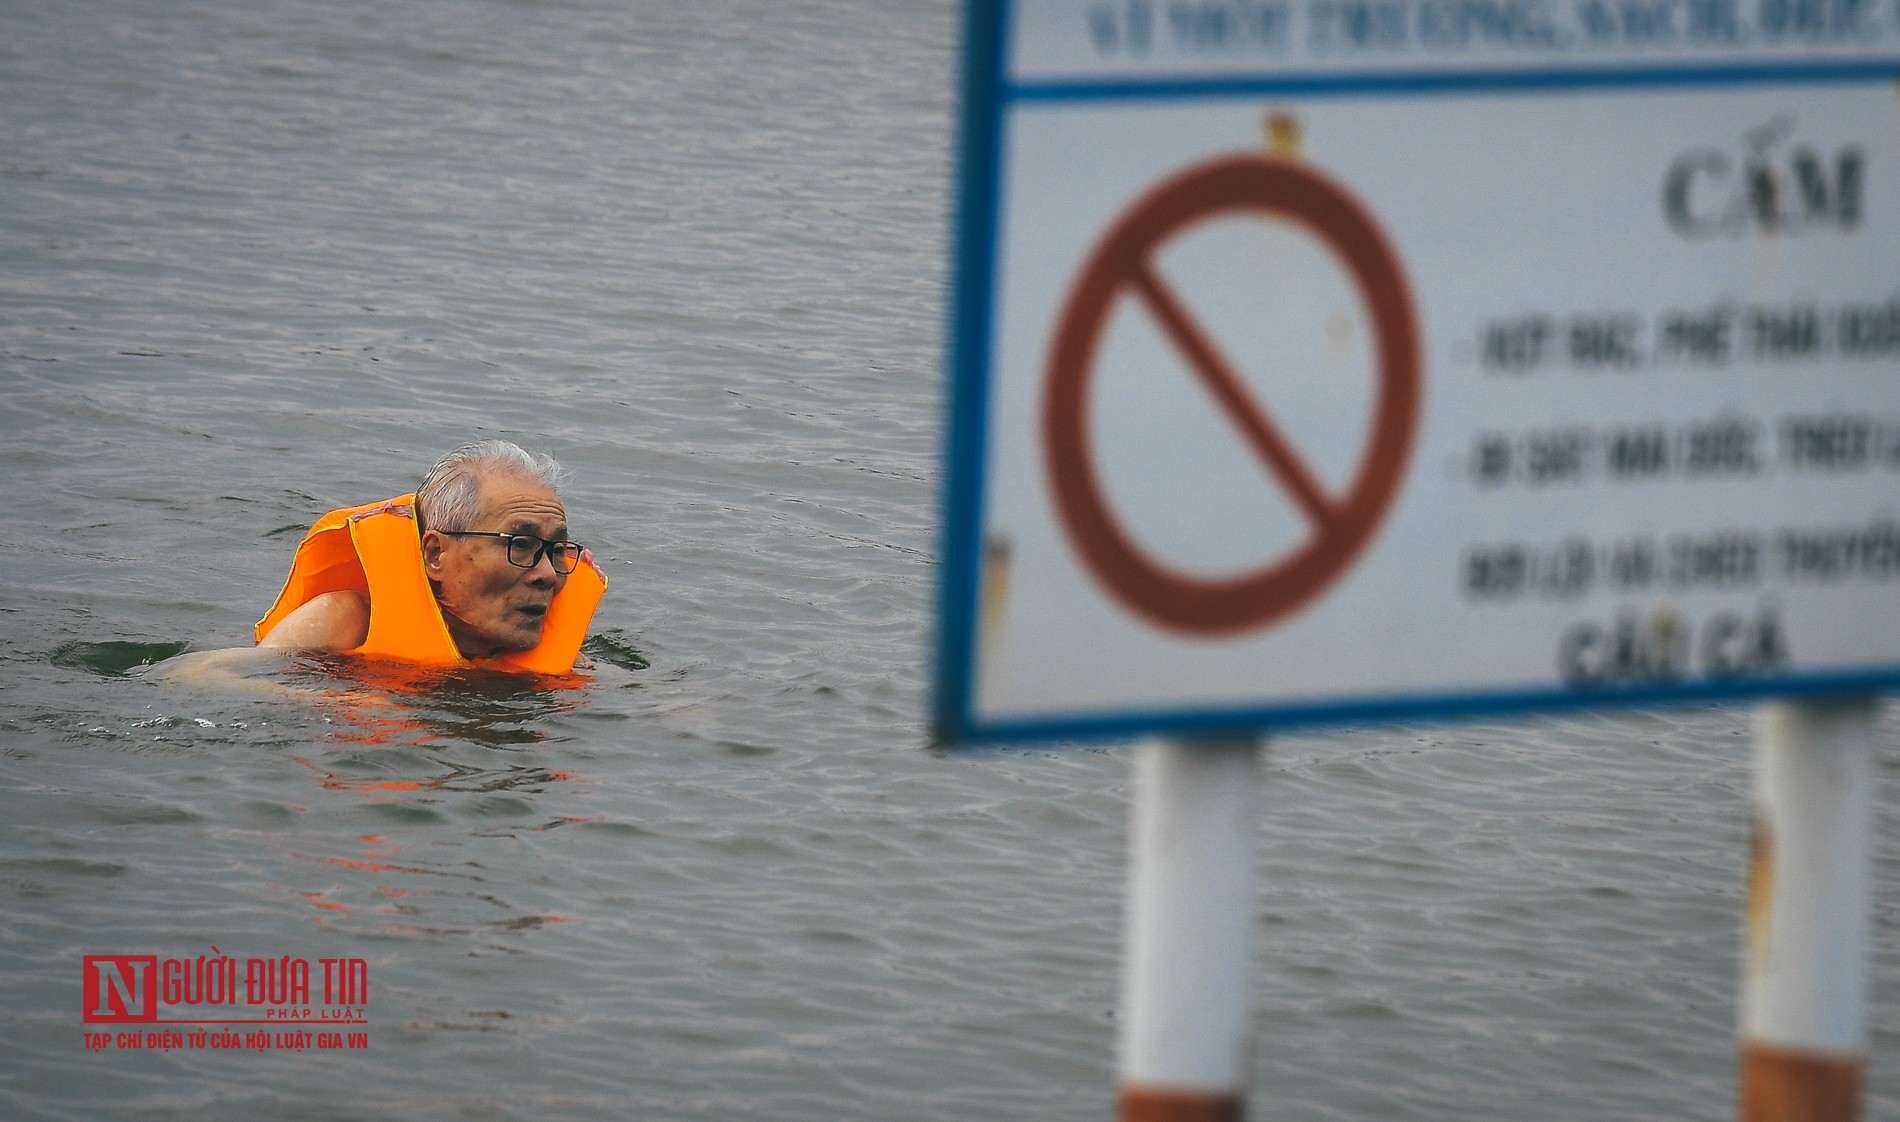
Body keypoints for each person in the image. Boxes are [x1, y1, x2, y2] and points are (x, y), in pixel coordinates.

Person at [253, 441, 605, 674]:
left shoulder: (567, 663)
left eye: (557, 551)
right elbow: (214, 677)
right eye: (520, 544)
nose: (546, 574)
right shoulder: (345, 623)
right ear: (436, 554)